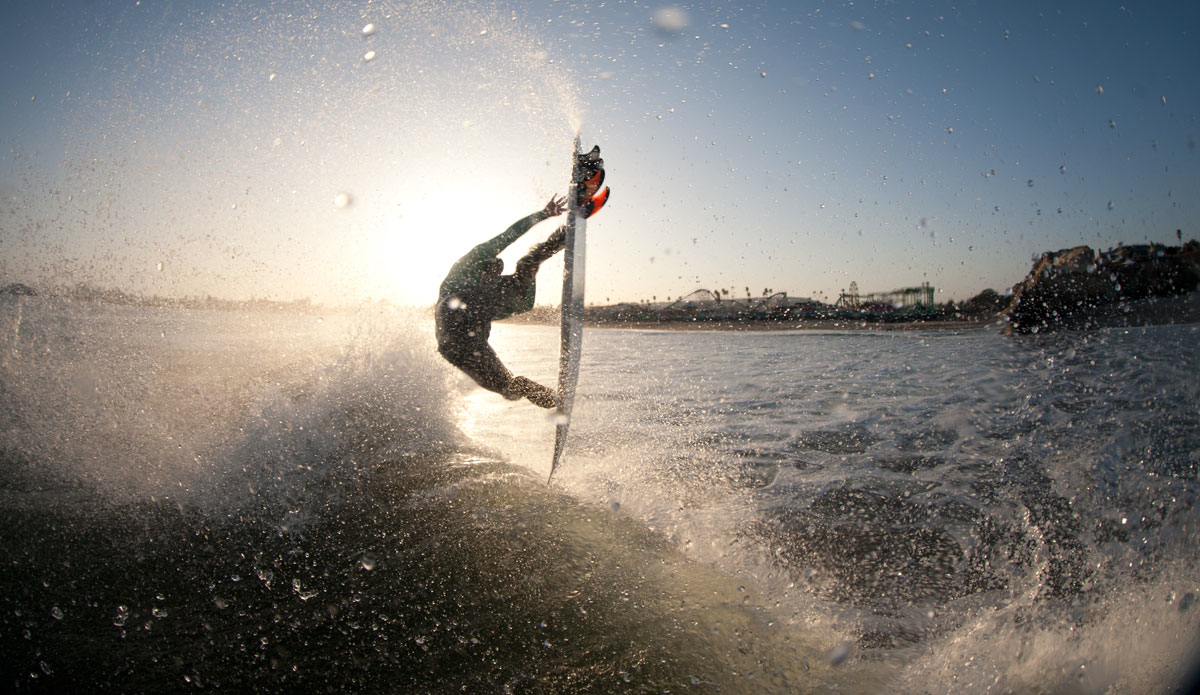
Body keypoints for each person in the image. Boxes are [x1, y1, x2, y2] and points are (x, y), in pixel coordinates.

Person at [435, 195, 570, 409]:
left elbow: (525, 303)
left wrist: (531, 268)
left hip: (468, 346)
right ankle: (557, 241)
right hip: (453, 325)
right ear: (483, 265)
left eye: (498, 273)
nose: (494, 276)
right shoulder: (468, 264)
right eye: (490, 271)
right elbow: (509, 235)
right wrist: (544, 214)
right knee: (521, 270)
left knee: (509, 388)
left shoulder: (493, 299)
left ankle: (527, 388)